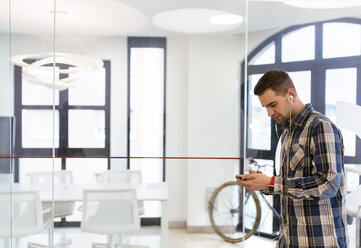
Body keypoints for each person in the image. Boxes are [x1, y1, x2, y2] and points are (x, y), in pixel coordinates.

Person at [236, 70, 348, 248]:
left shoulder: (321, 126)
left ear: (291, 94)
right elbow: (293, 186)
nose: (269, 113)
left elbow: (328, 184)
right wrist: (263, 183)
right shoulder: (288, 132)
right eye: (265, 107)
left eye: (273, 105)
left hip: (320, 241)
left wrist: (272, 183)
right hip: (291, 238)